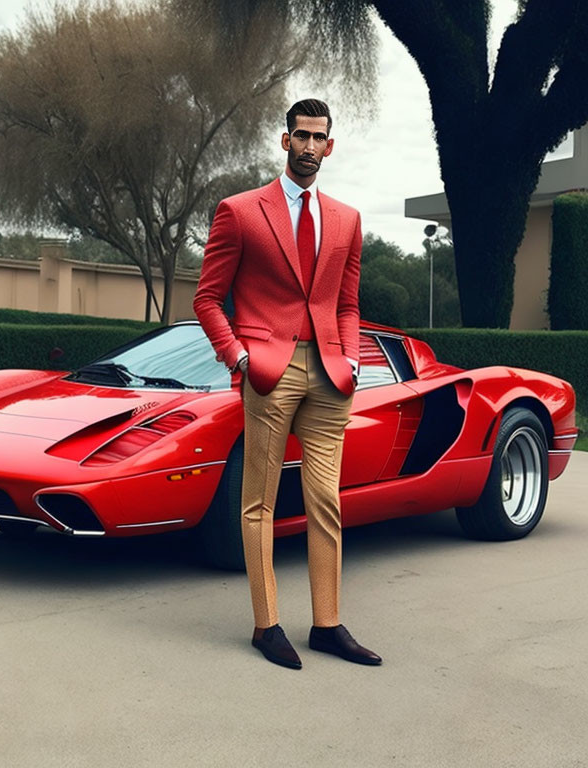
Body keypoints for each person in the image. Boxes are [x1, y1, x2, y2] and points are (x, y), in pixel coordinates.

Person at [193, 98, 381, 670]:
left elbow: (347, 303)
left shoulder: (347, 219)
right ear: (284, 141)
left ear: (329, 146)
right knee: (260, 503)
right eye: (299, 135)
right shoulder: (241, 211)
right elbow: (207, 299)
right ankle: (265, 623)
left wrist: (349, 359)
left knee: (326, 502)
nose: (307, 146)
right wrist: (240, 358)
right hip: (268, 372)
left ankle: (327, 625)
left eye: (317, 137)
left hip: (330, 375)